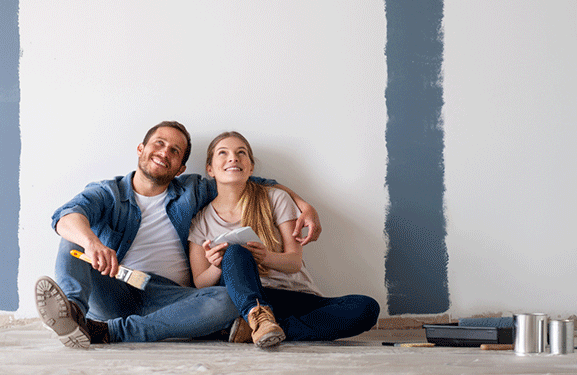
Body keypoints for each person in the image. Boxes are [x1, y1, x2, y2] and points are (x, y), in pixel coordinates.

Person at [34, 121, 322, 348]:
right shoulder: (108, 192)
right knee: (74, 234)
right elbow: (66, 215)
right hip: (116, 286)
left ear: (181, 167)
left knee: (229, 299)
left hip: (173, 297)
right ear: (141, 148)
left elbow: (249, 179)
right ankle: (71, 314)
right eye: (159, 143)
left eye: (175, 151)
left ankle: (111, 333)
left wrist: (303, 204)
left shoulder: (193, 189)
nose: (164, 152)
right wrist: (93, 243)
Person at [188, 131, 379, 348]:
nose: (233, 158)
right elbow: (199, 282)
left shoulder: (275, 198)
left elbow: (294, 262)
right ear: (210, 169)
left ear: (251, 167)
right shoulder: (201, 220)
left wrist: (266, 257)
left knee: (366, 307)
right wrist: (217, 266)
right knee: (235, 251)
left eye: (241, 153)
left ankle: (263, 330)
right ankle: (259, 318)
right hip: (249, 297)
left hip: (292, 295)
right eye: (223, 153)